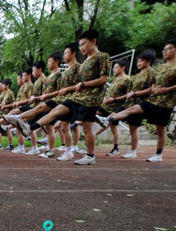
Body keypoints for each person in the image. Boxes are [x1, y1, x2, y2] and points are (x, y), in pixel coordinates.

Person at [19, 30, 111, 165]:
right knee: (55, 111)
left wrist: (82, 84)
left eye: (84, 44)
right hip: (76, 97)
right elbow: (77, 84)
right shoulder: (85, 62)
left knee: (86, 127)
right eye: (80, 46)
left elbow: (104, 79)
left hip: (90, 99)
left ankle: (90, 156)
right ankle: (30, 128)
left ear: (94, 41)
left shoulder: (102, 56)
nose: (81, 48)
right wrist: (69, 88)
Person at [107, 39, 176, 163]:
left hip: (166, 103)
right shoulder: (159, 68)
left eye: (168, 49)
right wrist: (153, 89)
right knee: (132, 109)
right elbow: (152, 84)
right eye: (164, 49)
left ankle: (158, 154)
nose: (165, 51)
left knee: (160, 130)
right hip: (152, 100)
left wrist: (168, 89)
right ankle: (109, 119)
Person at [9, 53, 63, 158]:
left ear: (57, 61)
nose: (48, 63)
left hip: (51, 103)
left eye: (50, 61)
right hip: (44, 104)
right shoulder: (48, 77)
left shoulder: (58, 75)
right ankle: (47, 149)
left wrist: (43, 97)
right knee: (48, 128)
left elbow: (59, 91)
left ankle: (52, 150)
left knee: (51, 128)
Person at [118, 50, 156, 159]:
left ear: (148, 61)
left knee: (133, 127)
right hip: (133, 103)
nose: (138, 63)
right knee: (132, 128)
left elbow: (151, 89)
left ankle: (133, 151)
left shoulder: (151, 73)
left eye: (141, 61)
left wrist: (135, 93)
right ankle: (132, 150)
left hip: (143, 103)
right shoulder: (138, 74)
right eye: (137, 61)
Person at [95, 59, 132, 157]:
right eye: (113, 67)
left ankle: (115, 148)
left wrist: (114, 99)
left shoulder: (127, 80)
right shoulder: (114, 79)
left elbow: (129, 95)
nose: (114, 69)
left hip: (116, 107)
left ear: (123, 68)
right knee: (95, 115)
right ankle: (91, 135)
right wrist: (106, 99)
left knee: (113, 127)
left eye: (116, 67)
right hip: (107, 105)